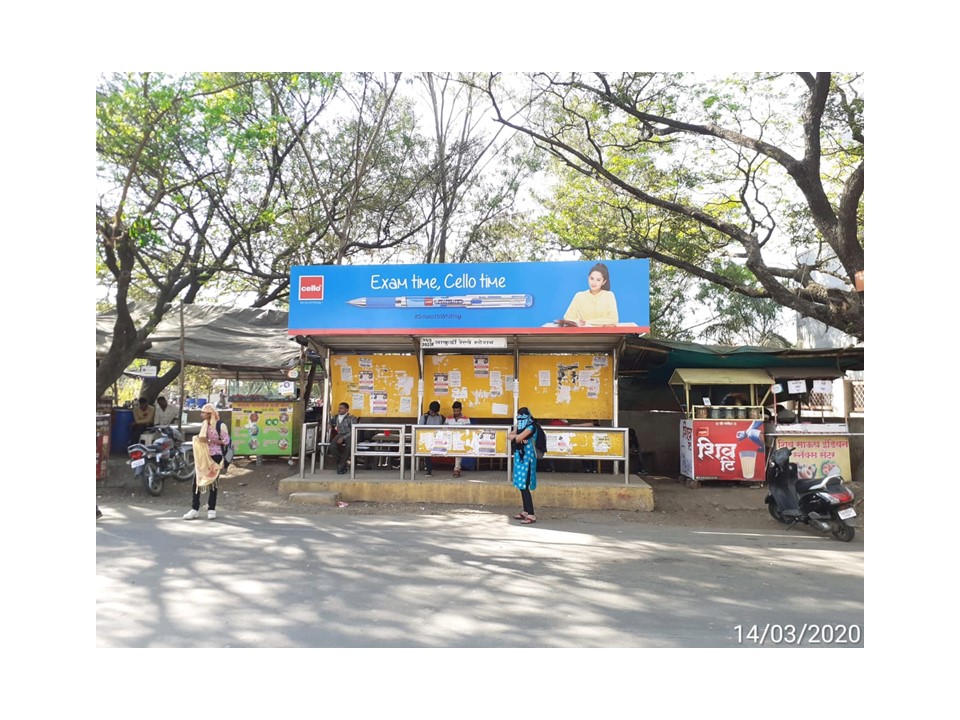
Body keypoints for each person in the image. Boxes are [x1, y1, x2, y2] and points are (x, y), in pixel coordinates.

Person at [184, 403, 229, 520]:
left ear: (210, 414)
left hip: (216, 455)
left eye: (204, 412)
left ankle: (211, 509)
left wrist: (209, 440)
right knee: (197, 481)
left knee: (213, 483)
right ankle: (194, 509)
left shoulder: (220, 425)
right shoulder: (204, 424)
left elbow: (226, 441)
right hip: (204, 456)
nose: (201, 414)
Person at [507, 407, 540, 524]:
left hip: (528, 459)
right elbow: (510, 435)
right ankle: (525, 511)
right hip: (520, 459)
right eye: (518, 416)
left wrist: (517, 437)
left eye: (522, 415)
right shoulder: (522, 426)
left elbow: (517, 438)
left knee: (525, 485)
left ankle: (531, 514)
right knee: (521, 485)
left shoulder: (531, 426)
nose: (520, 418)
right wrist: (517, 437)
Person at [444, 401, 471, 477]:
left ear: (461, 410)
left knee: (458, 450)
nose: (456, 412)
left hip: (460, 440)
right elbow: (444, 429)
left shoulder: (466, 419)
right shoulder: (448, 418)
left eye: (457, 411)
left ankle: (457, 469)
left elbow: (469, 431)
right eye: (454, 411)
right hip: (449, 439)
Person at [329, 402, 358, 475]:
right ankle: (343, 463)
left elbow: (354, 430)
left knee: (349, 447)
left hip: (349, 435)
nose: (339, 410)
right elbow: (331, 422)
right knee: (332, 447)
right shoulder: (336, 417)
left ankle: (341, 465)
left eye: (341, 408)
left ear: (347, 409)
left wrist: (343, 437)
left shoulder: (351, 418)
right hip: (340, 434)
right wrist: (329, 424)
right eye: (339, 408)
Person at [418, 401, 445, 475]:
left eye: (435, 412)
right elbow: (419, 429)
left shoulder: (440, 417)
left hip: (438, 439)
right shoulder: (424, 417)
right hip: (427, 439)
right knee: (427, 454)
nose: (433, 413)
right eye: (432, 411)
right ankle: (429, 470)